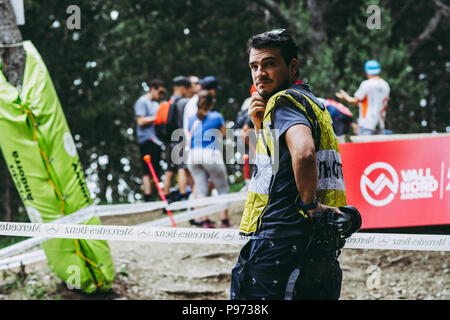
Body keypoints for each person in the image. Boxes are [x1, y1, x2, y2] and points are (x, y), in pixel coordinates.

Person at [230, 29, 347, 300]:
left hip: (279, 241)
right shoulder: (313, 103)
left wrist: (310, 206)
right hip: (312, 243)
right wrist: (260, 125)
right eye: (254, 66)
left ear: (292, 66)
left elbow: (304, 153)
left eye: (270, 63)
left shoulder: (284, 103)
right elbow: (277, 165)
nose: (260, 73)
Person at [187, 90, 230, 228]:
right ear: (212, 102)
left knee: (201, 190)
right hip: (210, 153)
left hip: (193, 155)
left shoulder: (192, 118)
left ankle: (205, 220)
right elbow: (223, 134)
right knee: (222, 188)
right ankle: (224, 220)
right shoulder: (216, 116)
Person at [335, 60, 390, 135]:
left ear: (367, 71)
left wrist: (345, 97)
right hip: (380, 125)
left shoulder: (366, 84)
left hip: (366, 124)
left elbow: (355, 101)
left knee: (366, 146)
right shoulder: (385, 85)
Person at [134, 79, 166, 202]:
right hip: (146, 140)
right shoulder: (142, 102)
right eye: (160, 92)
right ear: (152, 88)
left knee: (157, 170)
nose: (161, 95)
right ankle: (148, 198)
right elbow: (140, 121)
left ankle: (157, 196)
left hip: (157, 140)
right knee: (147, 170)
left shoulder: (156, 104)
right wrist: (158, 118)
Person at [162, 76, 192, 202]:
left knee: (169, 170)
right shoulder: (184, 102)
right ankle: (183, 196)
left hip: (169, 140)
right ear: (183, 88)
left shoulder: (168, 102)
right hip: (181, 138)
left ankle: (166, 198)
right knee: (182, 168)